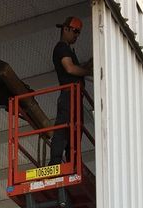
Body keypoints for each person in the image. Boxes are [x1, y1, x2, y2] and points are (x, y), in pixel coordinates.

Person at [50, 16, 93, 166]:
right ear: (65, 29)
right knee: (64, 128)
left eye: (78, 32)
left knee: (75, 130)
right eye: (75, 31)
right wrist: (88, 71)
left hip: (75, 96)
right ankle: (55, 162)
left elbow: (76, 69)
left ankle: (72, 162)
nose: (76, 35)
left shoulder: (68, 50)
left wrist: (88, 66)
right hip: (69, 95)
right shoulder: (62, 48)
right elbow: (70, 68)